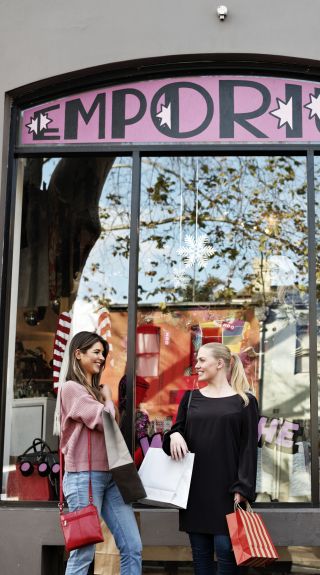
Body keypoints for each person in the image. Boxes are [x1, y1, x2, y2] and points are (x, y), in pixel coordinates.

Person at [162, 342, 259, 575]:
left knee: (227, 551)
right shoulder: (191, 398)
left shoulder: (245, 401)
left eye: (202, 360)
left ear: (220, 363)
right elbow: (173, 438)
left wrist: (243, 488)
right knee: (201, 554)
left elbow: (249, 450)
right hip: (195, 490)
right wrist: (174, 434)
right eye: (197, 360)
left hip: (228, 490)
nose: (197, 365)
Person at [60, 331, 142, 575]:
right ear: (78, 354)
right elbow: (102, 419)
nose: (101, 357)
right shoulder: (71, 388)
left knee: (132, 546)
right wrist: (107, 398)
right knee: (83, 551)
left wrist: (105, 399)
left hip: (111, 476)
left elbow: (112, 420)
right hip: (83, 477)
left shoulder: (93, 391)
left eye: (103, 353)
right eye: (96, 352)